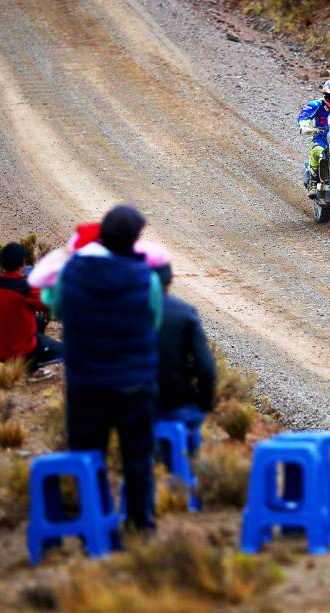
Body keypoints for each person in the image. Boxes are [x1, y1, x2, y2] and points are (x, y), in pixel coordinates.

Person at [43, 204, 163, 533]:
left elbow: (53, 304)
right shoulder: (146, 279)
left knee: (87, 456)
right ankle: (141, 524)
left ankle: (93, 526)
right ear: (134, 239)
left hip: (87, 384)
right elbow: (154, 321)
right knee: (137, 458)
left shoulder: (73, 273)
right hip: (134, 384)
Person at [151, 255, 217, 457]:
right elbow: (206, 370)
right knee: (187, 458)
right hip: (178, 406)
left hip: (135, 409)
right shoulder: (184, 313)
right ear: (169, 282)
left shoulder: (122, 314)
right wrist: (204, 404)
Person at [0, 242, 62, 372]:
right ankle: (31, 366)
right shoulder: (25, 287)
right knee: (65, 351)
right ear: (23, 263)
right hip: (19, 351)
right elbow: (49, 305)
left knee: (39, 320)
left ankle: (26, 359)